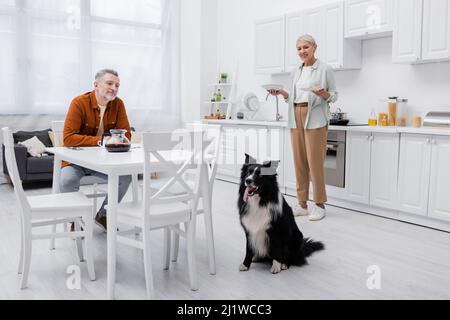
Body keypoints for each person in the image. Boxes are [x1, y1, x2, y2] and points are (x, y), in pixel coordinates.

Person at [268, 34, 338, 221]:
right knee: (299, 162)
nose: (302, 51)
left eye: (306, 47)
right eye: (299, 48)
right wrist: (282, 92)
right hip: (295, 115)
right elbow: (293, 96)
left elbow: (334, 95)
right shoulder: (295, 72)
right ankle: (302, 204)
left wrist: (324, 93)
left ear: (315, 48)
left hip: (314, 116)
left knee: (315, 164)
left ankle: (319, 205)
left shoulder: (325, 69)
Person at [60, 69, 132, 231]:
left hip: (104, 162)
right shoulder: (79, 103)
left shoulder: (118, 104)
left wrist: (114, 140)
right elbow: (68, 138)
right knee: (67, 180)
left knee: (125, 177)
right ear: (96, 85)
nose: (114, 88)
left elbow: (126, 134)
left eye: (117, 85)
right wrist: (102, 141)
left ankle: (103, 215)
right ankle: (76, 220)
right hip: (76, 161)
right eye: (109, 83)